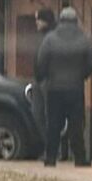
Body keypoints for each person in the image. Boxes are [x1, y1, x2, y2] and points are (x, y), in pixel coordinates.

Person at [36, 7, 92, 167]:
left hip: (54, 88)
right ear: (76, 20)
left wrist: (45, 77)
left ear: (60, 19)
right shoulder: (84, 38)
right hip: (75, 88)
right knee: (76, 124)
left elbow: (41, 61)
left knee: (53, 124)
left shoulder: (50, 39)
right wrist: (82, 75)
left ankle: (50, 157)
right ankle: (80, 158)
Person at [31, 8, 56, 142]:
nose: (36, 22)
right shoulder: (40, 36)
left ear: (46, 20)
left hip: (49, 80)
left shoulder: (53, 37)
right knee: (37, 114)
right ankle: (48, 144)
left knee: (50, 115)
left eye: (39, 19)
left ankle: (54, 146)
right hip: (38, 80)